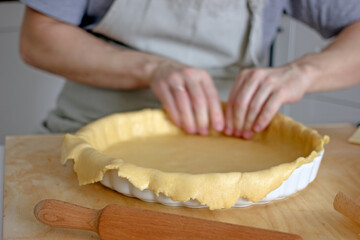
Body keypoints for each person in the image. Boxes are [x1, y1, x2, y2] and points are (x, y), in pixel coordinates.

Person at [19, 0, 360, 139]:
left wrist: (304, 72)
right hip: (87, 131)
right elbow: (38, 37)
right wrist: (153, 68)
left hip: (230, 142)